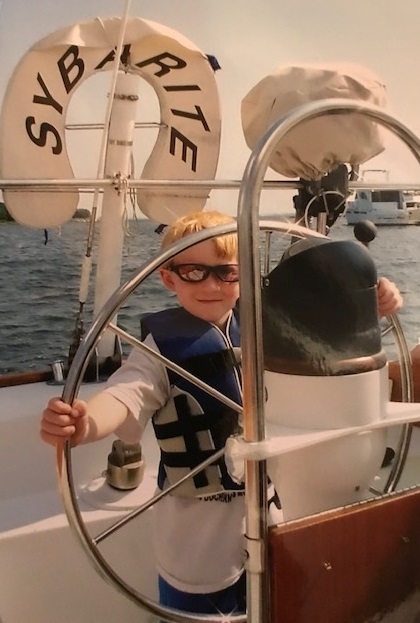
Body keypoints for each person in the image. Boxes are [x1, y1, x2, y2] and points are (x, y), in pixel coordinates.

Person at [40, 210, 403, 615]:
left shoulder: (269, 329)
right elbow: (123, 396)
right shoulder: (159, 352)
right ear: (168, 277)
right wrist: (84, 421)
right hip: (197, 544)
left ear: (244, 275)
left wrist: (375, 299)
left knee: (275, 606)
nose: (212, 285)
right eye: (194, 272)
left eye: (226, 273)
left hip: (271, 516)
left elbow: (333, 328)